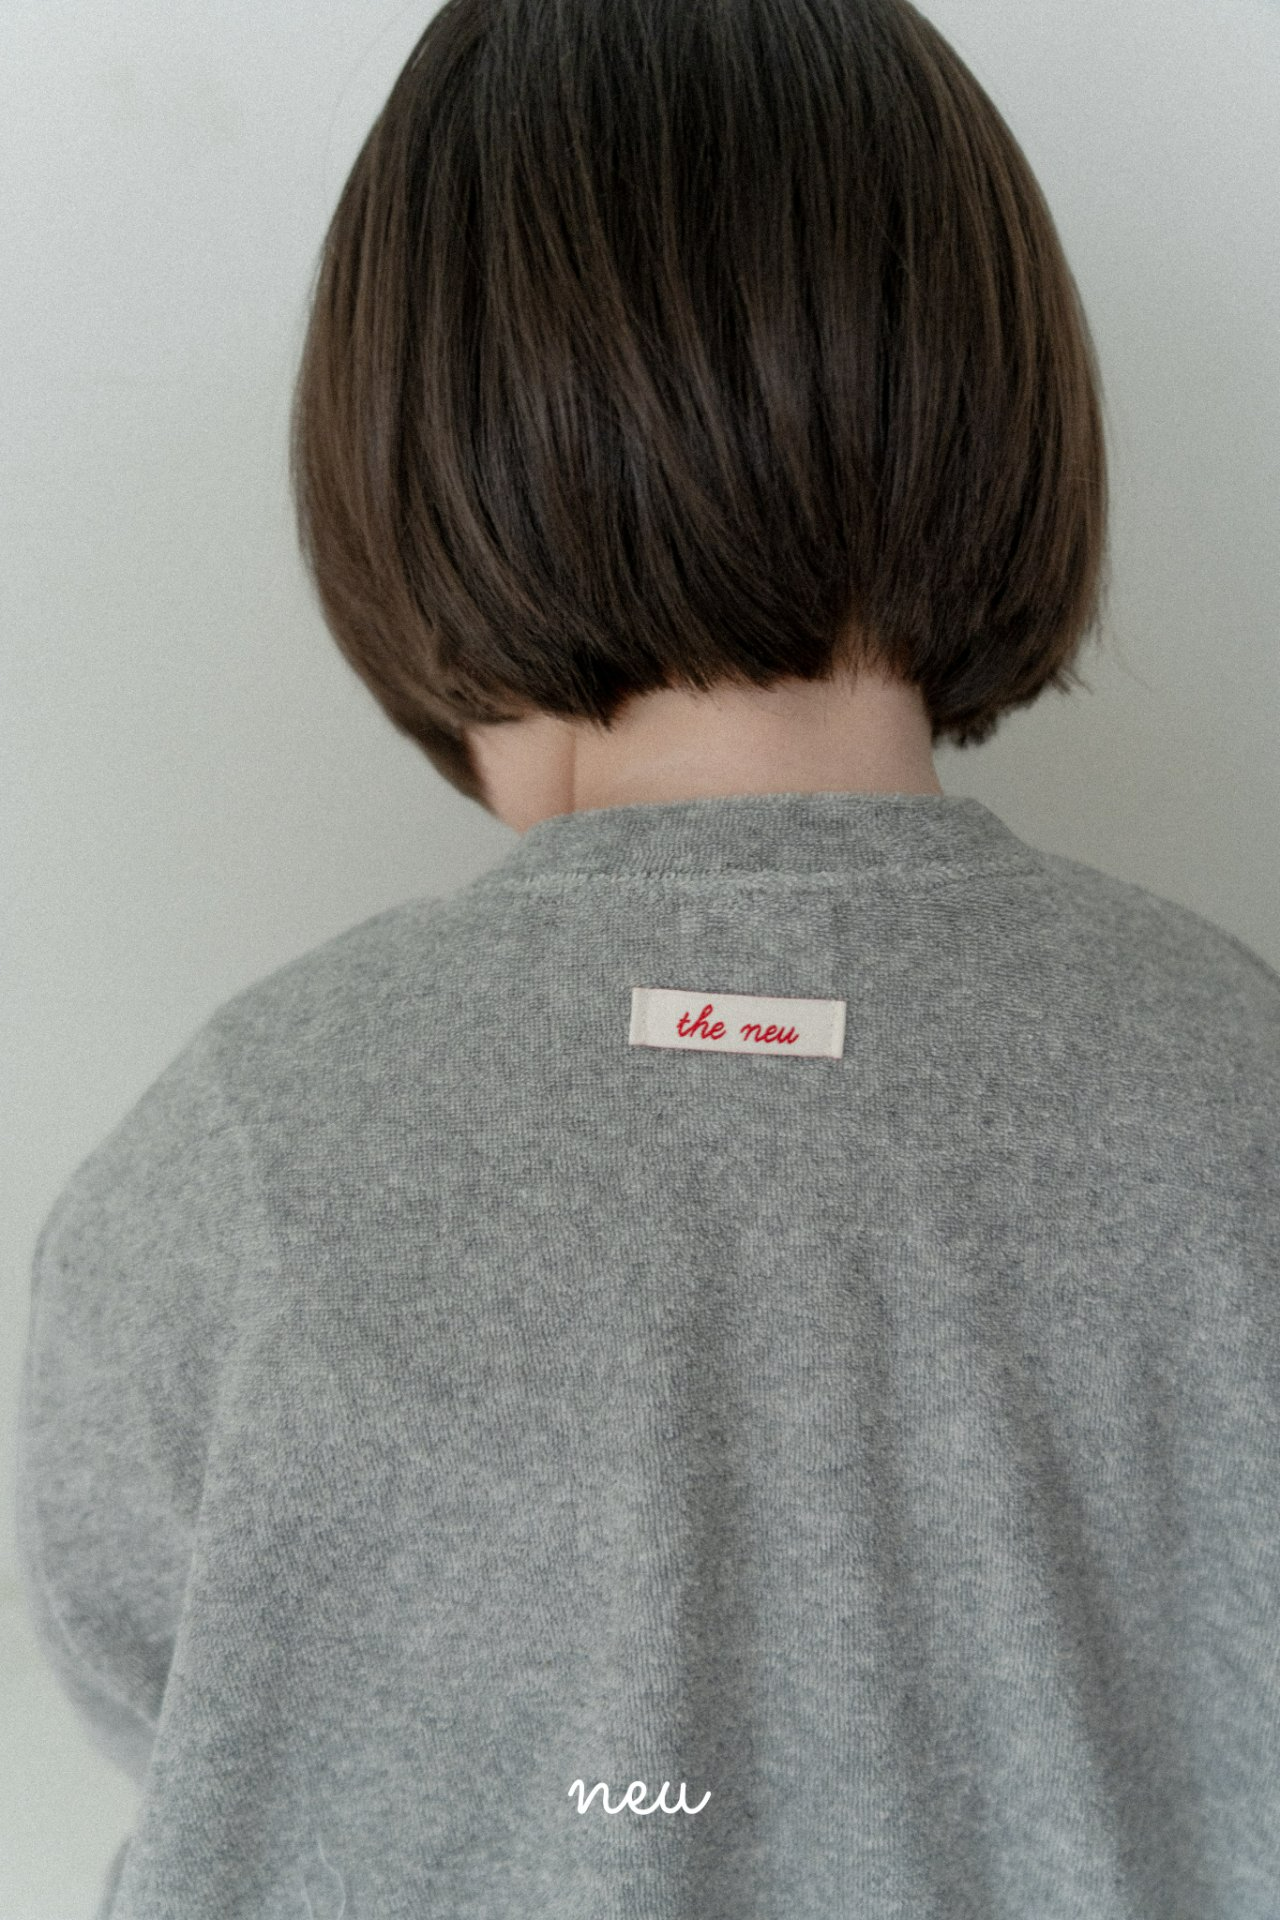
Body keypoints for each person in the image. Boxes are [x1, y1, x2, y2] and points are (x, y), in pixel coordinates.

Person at [15, 1, 1280, 1916]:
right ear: (995, 398)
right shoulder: (1235, 1095)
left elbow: (176, 1708)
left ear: (417, 460)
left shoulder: (239, 1153)